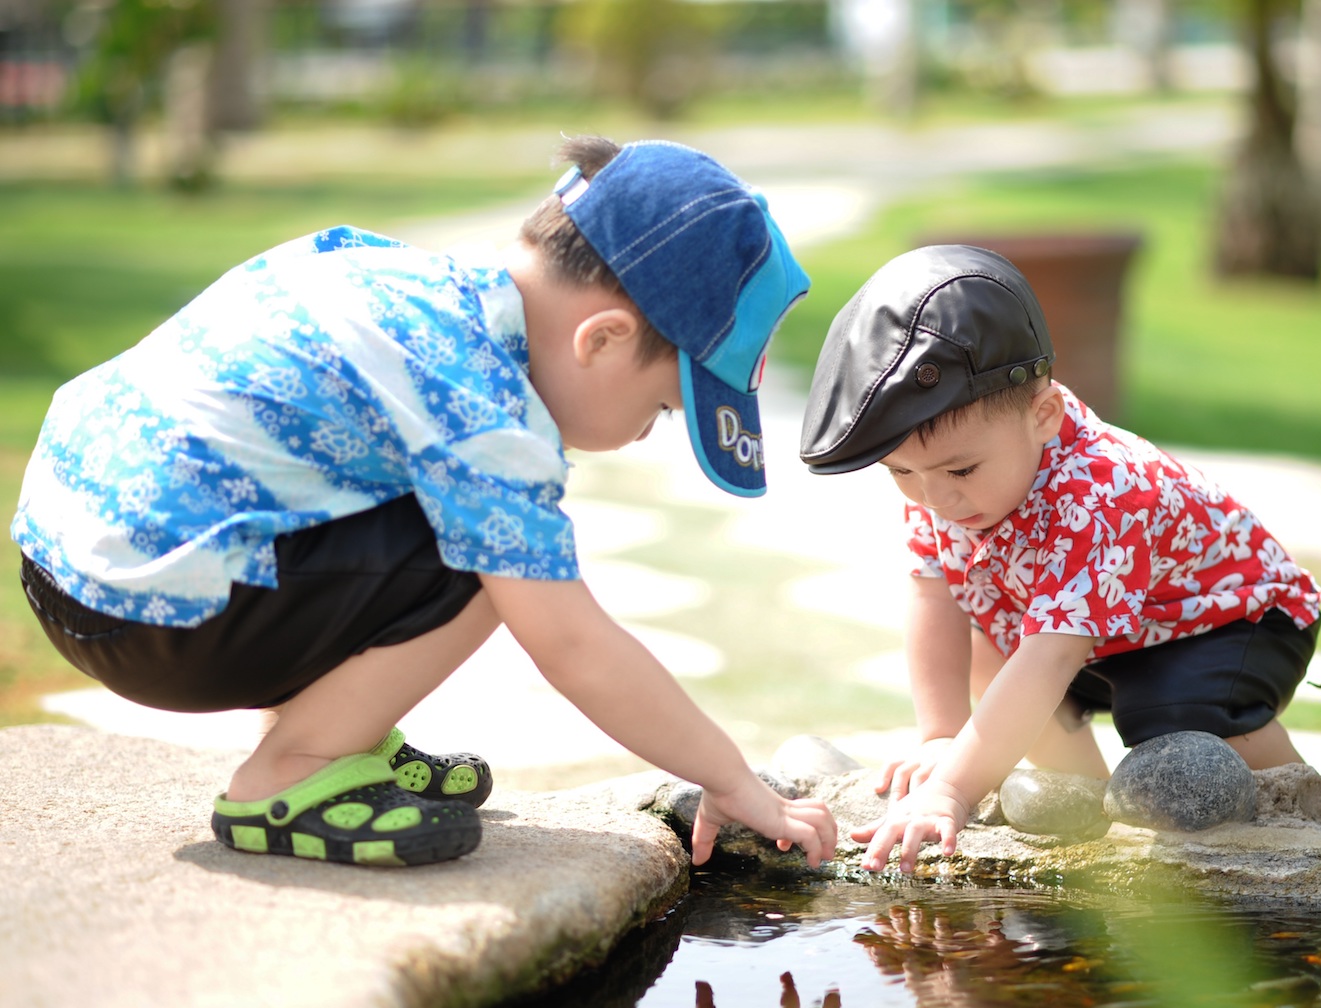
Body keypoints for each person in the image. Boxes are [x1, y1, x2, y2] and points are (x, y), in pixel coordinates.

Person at [13, 136, 837, 870]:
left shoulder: (403, 280)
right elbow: (572, 645)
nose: (642, 435)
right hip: (152, 615)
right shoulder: (482, 407)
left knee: (450, 514)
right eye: (661, 410)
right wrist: (730, 778)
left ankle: (340, 737)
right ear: (604, 339)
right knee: (498, 561)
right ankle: (291, 774)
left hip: (70, 559)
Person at [799, 244, 1321, 874]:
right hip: (1102, 634)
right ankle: (1086, 811)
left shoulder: (1102, 490)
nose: (935, 497)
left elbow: (1052, 656)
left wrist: (951, 789)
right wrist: (942, 736)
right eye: (901, 472)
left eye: (960, 468)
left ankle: (1302, 813)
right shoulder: (943, 484)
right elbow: (933, 595)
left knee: (1168, 716)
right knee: (991, 645)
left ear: (1043, 414)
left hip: (1231, 621)